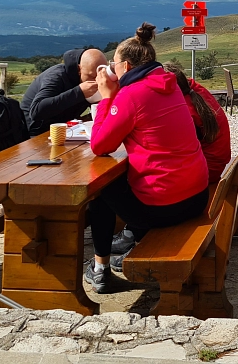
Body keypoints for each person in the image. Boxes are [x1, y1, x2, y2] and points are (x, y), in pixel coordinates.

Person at [83, 24, 209, 293]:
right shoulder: (170, 85)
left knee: (100, 188)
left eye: (114, 64)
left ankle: (100, 270)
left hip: (165, 207)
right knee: (127, 179)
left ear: (126, 67)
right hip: (196, 196)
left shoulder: (131, 95)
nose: (112, 70)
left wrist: (107, 98)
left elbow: (100, 146)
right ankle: (127, 244)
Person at [164, 64, 231, 183]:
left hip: (207, 172)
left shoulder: (185, 111)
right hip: (215, 164)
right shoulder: (195, 91)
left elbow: (174, 150)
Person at [21, 47, 107, 136]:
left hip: (64, 130)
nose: (97, 81)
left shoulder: (90, 79)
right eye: (92, 76)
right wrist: (79, 92)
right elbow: (36, 111)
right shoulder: (56, 76)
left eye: (100, 76)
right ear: (79, 69)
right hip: (35, 132)